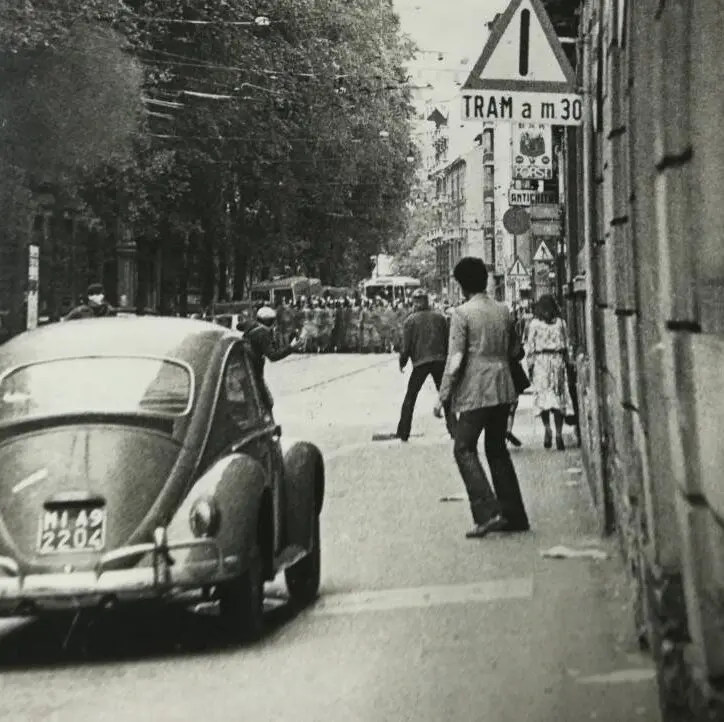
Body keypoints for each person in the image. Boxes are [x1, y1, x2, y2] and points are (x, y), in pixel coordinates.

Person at [434, 257, 530, 539]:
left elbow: (456, 359)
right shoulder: (503, 310)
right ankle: (514, 514)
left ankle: (488, 512)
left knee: (463, 447)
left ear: (461, 284)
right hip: (503, 386)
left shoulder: (461, 314)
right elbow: (516, 351)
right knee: (497, 448)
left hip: (477, 387)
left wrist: (442, 396)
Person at [395, 289, 456, 441]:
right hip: (439, 360)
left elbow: (406, 346)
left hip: (420, 362)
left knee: (411, 396)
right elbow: (448, 340)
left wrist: (402, 362)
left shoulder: (410, 321)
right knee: (445, 395)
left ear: (415, 302)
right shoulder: (440, 318)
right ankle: (454, 430)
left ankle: (403, 431)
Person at [525, 294, 574, 451]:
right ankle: (559, 433)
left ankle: (547, 428)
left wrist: (530, 366)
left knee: (543, 399)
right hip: (557, 361)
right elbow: (567, 343)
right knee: (558, 399)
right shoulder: (561, 323)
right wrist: (568, 362)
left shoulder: (534, 324)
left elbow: (530, 347)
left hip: (541, 362)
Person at [237, 306, 303, 411]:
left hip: (247, 370)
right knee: (267, 403)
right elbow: (273, 355)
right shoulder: (262, 332)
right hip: (255, 373)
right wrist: (291, 348)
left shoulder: (252, 329)